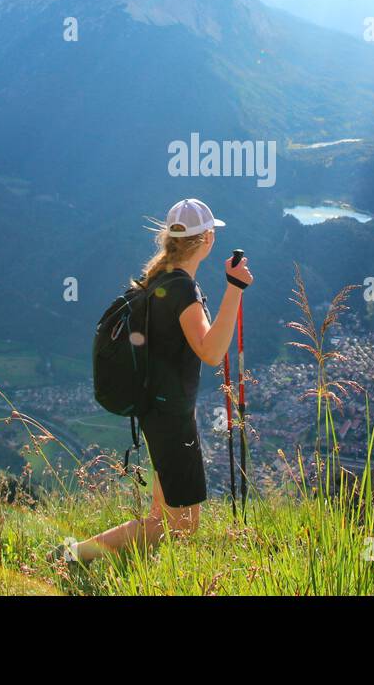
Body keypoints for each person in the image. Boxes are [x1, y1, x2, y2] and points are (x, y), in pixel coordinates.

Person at [67, 198, 253, 563]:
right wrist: (234, 288)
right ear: (208, 239)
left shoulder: (157, 280)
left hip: (157, 410)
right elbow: (211, 352)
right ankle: (77, 556)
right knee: (180, 523)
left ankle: (101, 560)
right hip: (170, 417)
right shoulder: (182, 289)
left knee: (166, 517)